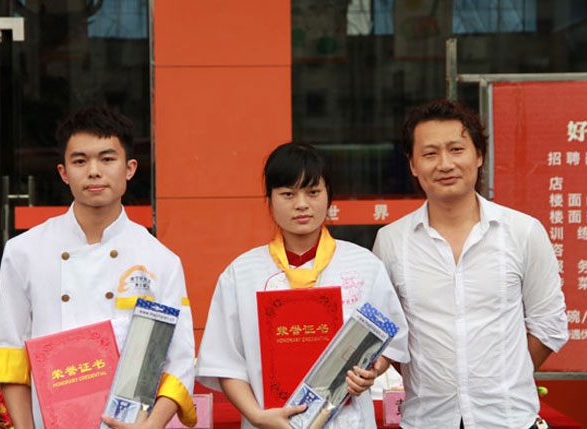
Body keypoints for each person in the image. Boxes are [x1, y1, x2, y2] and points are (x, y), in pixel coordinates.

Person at [0, 106, 196, 429]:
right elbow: (10, 354)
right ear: (63, 172)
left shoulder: (160, 261)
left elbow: (178, 359)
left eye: (107, 159)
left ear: (129, 168)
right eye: (80, 161)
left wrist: (152, 425)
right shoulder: (24, 252)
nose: (94, 171)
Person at [372, 99, 568, 429]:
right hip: (427, 420)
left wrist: (507, 377)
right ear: (413, 164)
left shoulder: (523, 232)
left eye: (456, 149)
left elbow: (549, 324)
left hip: (508, 420)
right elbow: (384, 331)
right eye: (430, 153)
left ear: (478, 155)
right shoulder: (391, 241)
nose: (445, 164)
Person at [196, 142, 409, 429]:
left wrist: (372, 370)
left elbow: (391, 343)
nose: (301, 204)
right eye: (288, 194)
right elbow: (225, 361)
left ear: (329, 196)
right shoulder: (241, 273)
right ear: (269, 200)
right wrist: (257, 416)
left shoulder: (364, 265)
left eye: (313, 192)